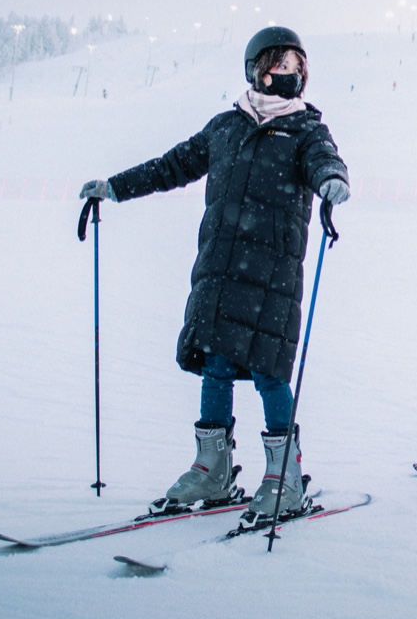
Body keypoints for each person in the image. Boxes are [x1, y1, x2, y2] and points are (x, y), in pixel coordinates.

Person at [79, 26, 350, 527]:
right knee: (217, 367)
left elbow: (325, 162)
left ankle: (284, 478)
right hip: (221, 275)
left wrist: (332, 180)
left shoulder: (307, 132)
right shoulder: (225, 127)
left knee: (271, 373)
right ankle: (212, 469)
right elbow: (172, 165)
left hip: (272, 277)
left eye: (297, 69)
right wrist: (113, 187)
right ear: (257, 69)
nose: (290, 76)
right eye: (281, 66)